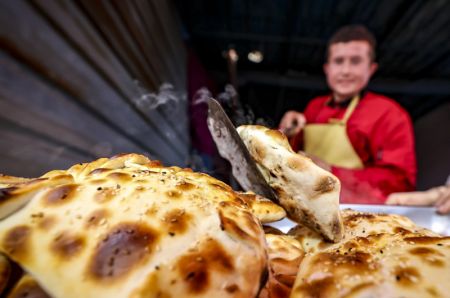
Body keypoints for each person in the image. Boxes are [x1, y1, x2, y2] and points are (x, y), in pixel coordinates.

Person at [279, 25, 416, 204]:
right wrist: (286, 133)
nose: (345, 71)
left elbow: (400, 182)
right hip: (305, 204)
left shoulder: (390, 113)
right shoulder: (314, 107)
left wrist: (330, 172)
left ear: (371, 68)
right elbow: (287, 159)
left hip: (358, 211)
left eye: (356, 61)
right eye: (338, 61)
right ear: (327, 68)